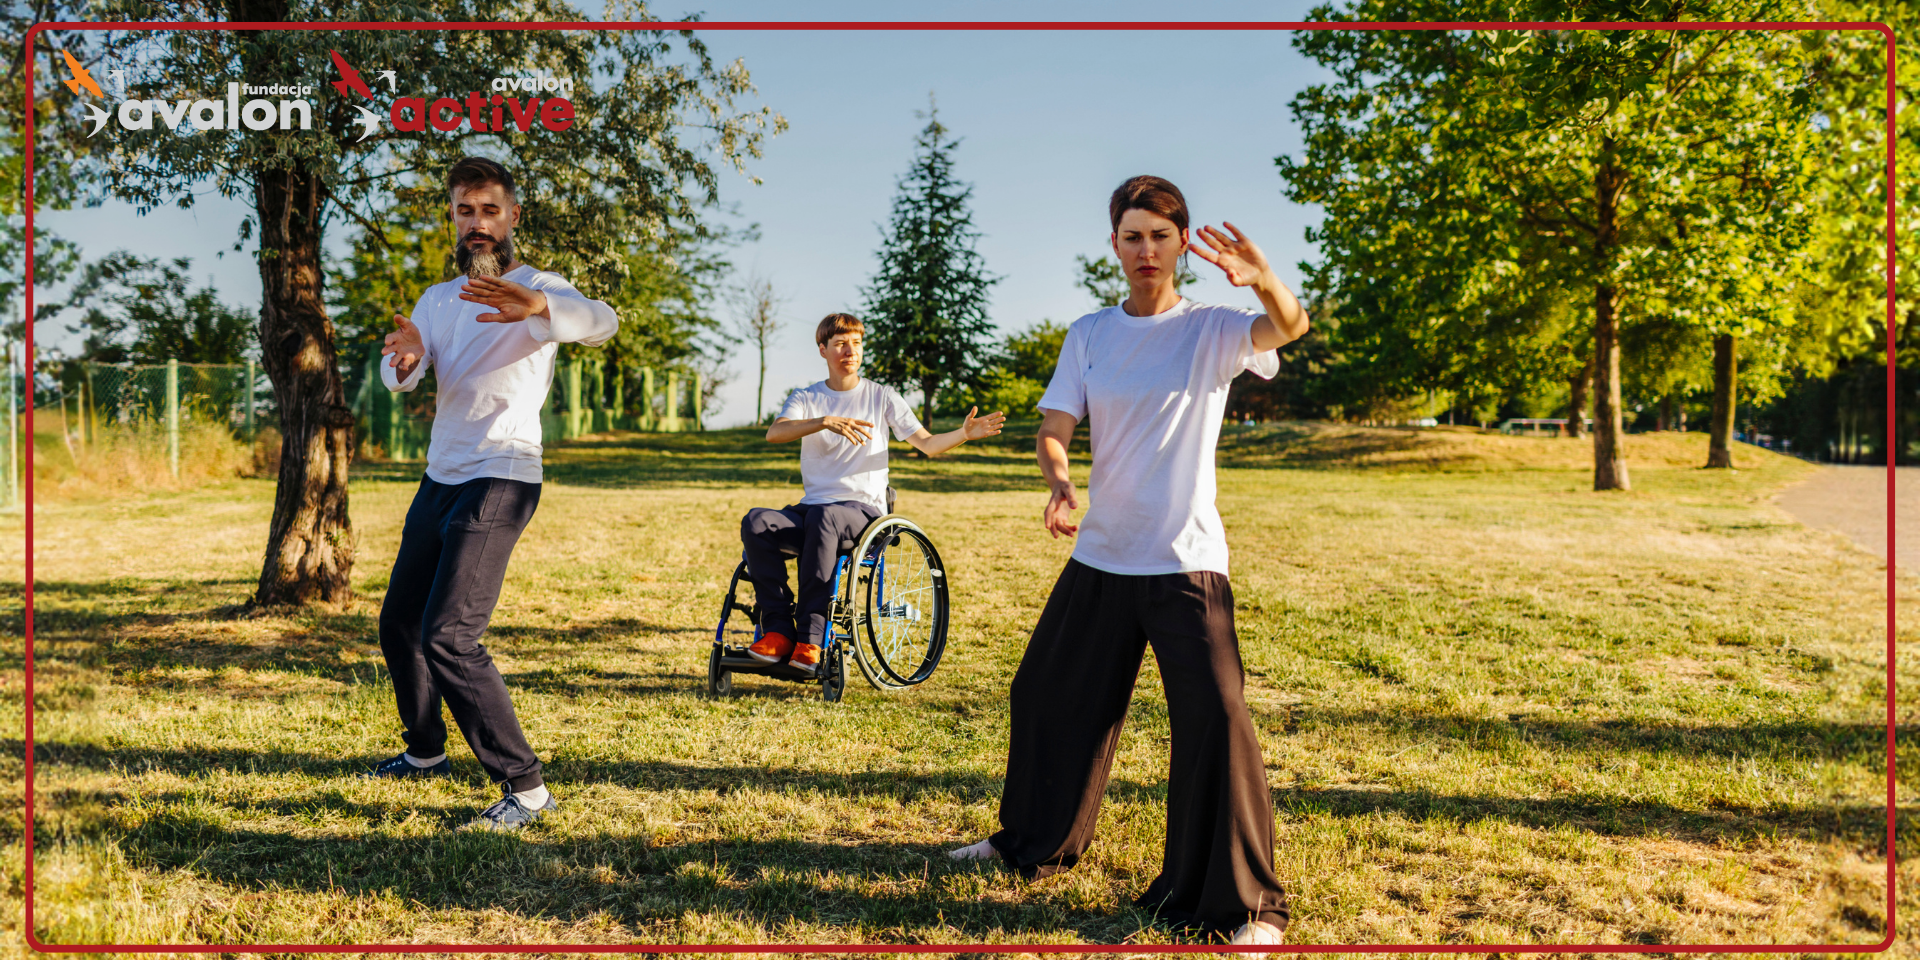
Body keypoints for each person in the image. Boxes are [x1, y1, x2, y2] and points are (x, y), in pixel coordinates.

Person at [947, 176, 1310, 952]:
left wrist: (1263, 279)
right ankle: (1033, 843)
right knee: (1044, 692)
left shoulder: (1213, 329)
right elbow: (1055, 426)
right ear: (1114, 244)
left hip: (1184, 560)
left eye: (1161, 236)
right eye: (1134, 235)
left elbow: (1289, 324)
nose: (1147, 249)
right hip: (1103, 555)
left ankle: (1247, 908)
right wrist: (1060, 482)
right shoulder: (1089, 334)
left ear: (1182, 245)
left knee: (1217, 718)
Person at [368, 156, 619, 831]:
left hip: (502, 472)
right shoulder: (436, 298)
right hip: (441, 475)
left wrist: (540, 308)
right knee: (400, 623)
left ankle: (526, 790)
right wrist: (405, 360)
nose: (476, 223)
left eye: (488, 211)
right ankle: (425, 751)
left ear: (512, 216)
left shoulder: (539, 287)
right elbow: (405, 373)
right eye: (464, 211)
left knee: (450, 635)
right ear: (453, 216)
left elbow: (604, 320)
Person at [740, 313, 1005, 674]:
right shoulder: (807, 397)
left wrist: (964, 434)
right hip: (814, 510)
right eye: (840, 344)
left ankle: (811, 638)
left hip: (861, 513)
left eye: (856, 343)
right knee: (757, 522)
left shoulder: (881, 396)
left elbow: (926, 443)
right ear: (823, 350)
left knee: (824, 516)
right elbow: (775, 433)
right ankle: (778, 631)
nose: (850, 351)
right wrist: (824, 421)